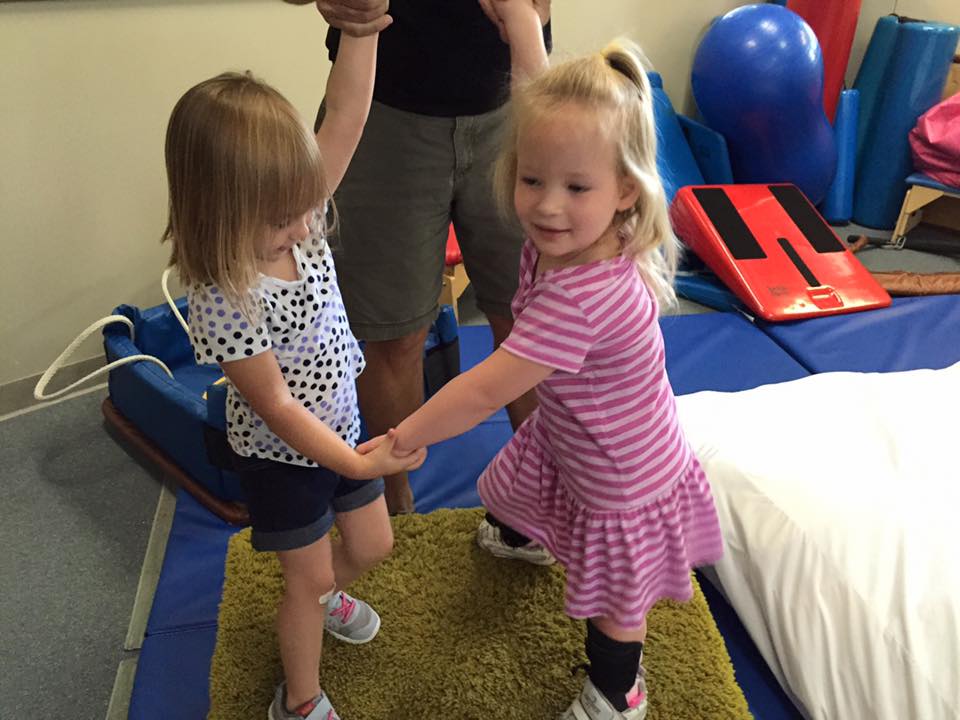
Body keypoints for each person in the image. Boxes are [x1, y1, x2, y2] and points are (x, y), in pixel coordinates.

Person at [377, 2, 725, 717]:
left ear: (625, 191)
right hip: (573, 432)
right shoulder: (578, 235)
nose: (547, 206)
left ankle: (618, 692)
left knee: (614, 605)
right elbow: (535, 102)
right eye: (531, 180)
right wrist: (517, 26)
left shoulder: (586, 296)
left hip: (620, 474)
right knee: (517, 482)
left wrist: (404, 436)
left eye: (575, 188)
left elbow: (485, 389)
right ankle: (522, 535)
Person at [162, 28, 426, 720]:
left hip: (341, 424)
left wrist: (363, 28)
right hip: (283, 459)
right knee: (303, 583)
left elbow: (349, 113)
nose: (308, 229)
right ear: (221, 213)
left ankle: (319, 593)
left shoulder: (296, 215)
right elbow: (277, 407)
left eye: (305, 207)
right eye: (285, 219)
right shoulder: (223, 297)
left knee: (374, 544)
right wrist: (357, 463)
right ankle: (300, 700)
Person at [303, 0, 552, 514]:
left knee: (535, 324)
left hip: (510, 90)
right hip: (386, 101)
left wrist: (532, 18)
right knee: (393, 334)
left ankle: (548, 500)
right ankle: (398, 509)